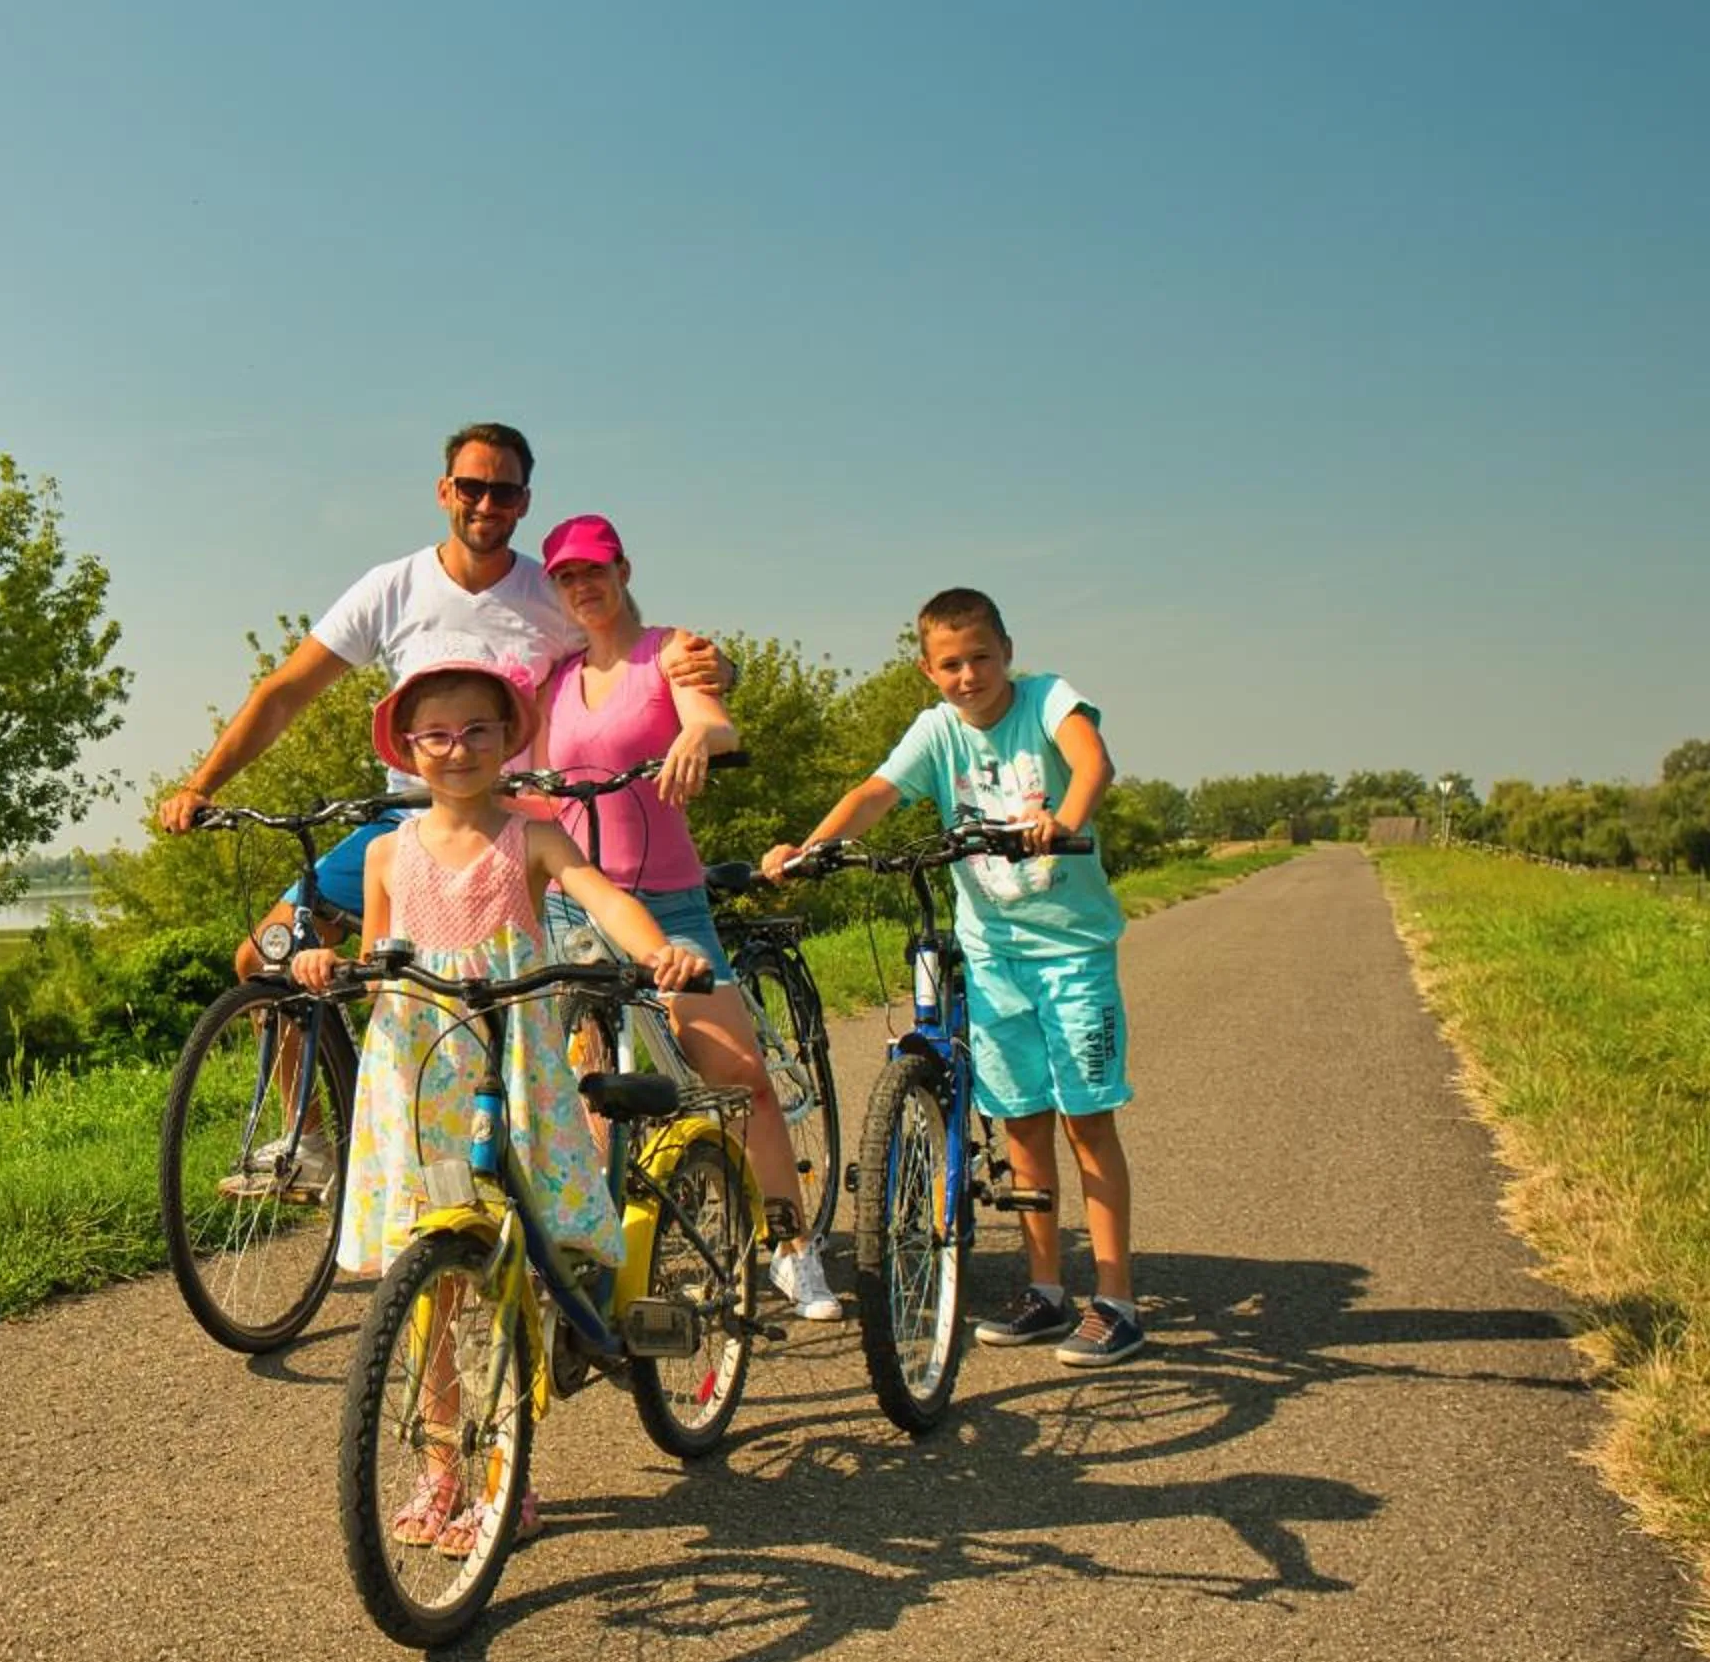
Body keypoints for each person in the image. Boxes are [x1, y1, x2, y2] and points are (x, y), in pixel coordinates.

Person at [294, 657, 706, 1553]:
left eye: (478, 730)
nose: (458, 748)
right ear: (409, 749)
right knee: (429, 1284)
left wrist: (662, 950)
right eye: (436, 734)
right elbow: (376, 961)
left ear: (509, 739)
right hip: (417, 1080)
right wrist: (329, 966)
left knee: (512, 1268)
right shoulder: (384, 854)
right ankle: (439, 1465)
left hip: (511, 1069)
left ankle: (503, 1472)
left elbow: (604, 900)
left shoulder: (535, 839)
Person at [154, 423, 723, 986]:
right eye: (471, 487)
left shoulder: (549, 593)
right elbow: (284, 694)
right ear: (444, 490)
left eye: (503, 492)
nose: (485, 504)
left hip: (510, 825)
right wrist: (202, 784)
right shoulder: (392, 587)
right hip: (405, 821)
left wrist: (720, 671)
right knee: (265, 965)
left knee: (497, 995)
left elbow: (627, 650)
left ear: (523, 503)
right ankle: (341, 1078)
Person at [759, 588, 1144, 1366]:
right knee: (1024, 1119)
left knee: (1086, 1122)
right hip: (993, 950)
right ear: (927, 669)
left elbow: (1092, 761)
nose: (968, 675)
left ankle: (1117, 1300)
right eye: (950, 664)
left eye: (981, 658)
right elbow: (877, 791)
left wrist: (1063, 820)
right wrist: (811, 847)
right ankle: (1046, 1291)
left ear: (1007, 650)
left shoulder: (1046, 700)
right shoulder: (937, 731)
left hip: (1070, 950)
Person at [534, 512, 841, 1322]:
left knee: (737, 1076)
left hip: (667, 900)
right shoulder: (557, 677)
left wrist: (700, 738)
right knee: (588, 1087)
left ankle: (792, 1246)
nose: (581, 587)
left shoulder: (669, 650)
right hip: (576, 901)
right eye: (565, 577)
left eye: (593, 570)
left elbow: (709, 714)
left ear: (624, 569)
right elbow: (532, 777)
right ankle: (602, 1249)